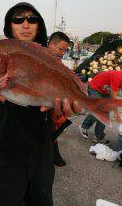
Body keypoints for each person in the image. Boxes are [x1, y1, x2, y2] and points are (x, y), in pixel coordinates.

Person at [0, 2, 81, 206]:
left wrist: (72, 109)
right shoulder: (2, 57)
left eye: (32, 19)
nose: (26, 24)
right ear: (10, 26)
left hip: (42, 150)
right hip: (3, 150)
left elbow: (65, 101)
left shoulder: (50, 61)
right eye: (18, 19)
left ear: (39, 26)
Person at [47, 31, 72, 167]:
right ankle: (54, 156)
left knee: (52, 130)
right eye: (61, 49)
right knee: (49, 132)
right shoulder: (39, 57)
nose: (63, 53)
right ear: (51, 44)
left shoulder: (58, 62)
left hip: (52, 104)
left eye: (65, 50)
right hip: (41, 103)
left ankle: (54, 155)